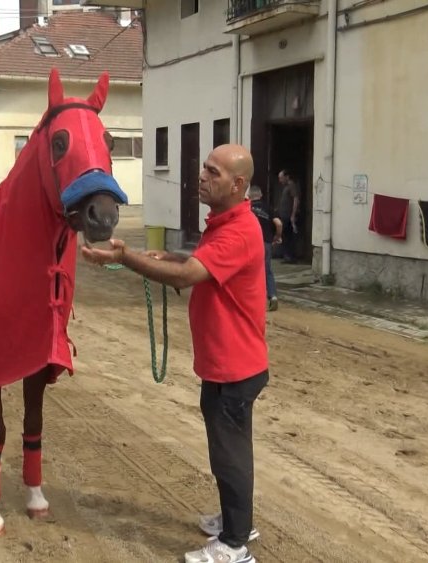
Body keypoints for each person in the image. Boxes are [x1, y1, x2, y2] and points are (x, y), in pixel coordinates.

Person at [82, 144, 268, 563]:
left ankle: (235, 546)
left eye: (213, 172)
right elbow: (199, 266)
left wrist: (127, 256)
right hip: (226, 364)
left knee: (230, 452)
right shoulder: (223, 223)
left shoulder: (239, 230)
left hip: (235, 367)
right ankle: (236, 519)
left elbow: (189, 276)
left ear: (238, 185)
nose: (202, 176)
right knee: (227, 449)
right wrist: (169, 256)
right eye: (204, 168)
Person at [247, 185, 281, 312]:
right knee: (267, 270)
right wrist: (277, 237)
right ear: (261, 195)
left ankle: (251, 300)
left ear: (249, 197)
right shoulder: (268, 208)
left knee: (250, 270)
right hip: (266, 242)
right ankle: (273, 297)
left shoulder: (247, 208)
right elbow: (278, 223)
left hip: (250, 243)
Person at [276, 169, 300, 263]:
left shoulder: (292, 186)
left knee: (289, 237)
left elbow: (296, 200)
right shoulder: (286, 187)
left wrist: (293, 215)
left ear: (287, 177)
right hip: (283, 215)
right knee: (285, 236)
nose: (280, 180)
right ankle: (287, 256)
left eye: (281, 178)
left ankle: (290, 257)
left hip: (288, 216)